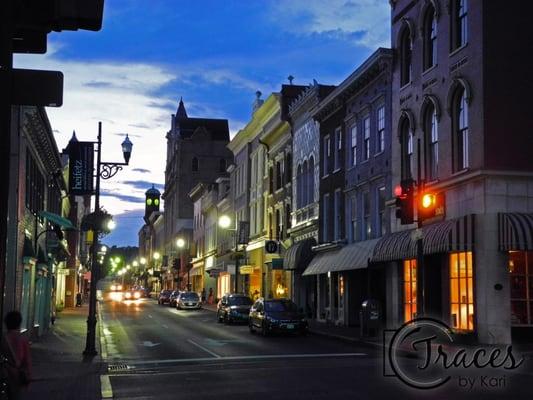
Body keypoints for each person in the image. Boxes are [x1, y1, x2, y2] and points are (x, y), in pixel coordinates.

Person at [2, 311, 32, 399]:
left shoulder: (3, 339)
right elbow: (27, 360)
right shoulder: (23, 340)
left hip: (5, 373)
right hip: (17, 375)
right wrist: (28, 376)